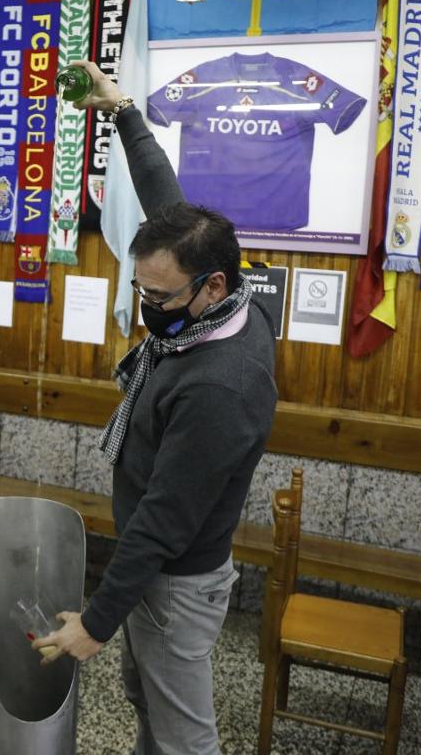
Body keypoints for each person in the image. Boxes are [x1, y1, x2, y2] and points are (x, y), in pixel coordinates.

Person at [33, 61, 278, 755]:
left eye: (159, 297)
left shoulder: (220, 385)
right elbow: (162, 195)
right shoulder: (222, 300)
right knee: (149, 706)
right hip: (158, 571)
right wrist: (122, 111)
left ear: (212, 285)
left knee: (183, 739)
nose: (147, 307)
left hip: (174, 580)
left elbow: (165, 519)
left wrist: (96, 622)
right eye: (140, 289)